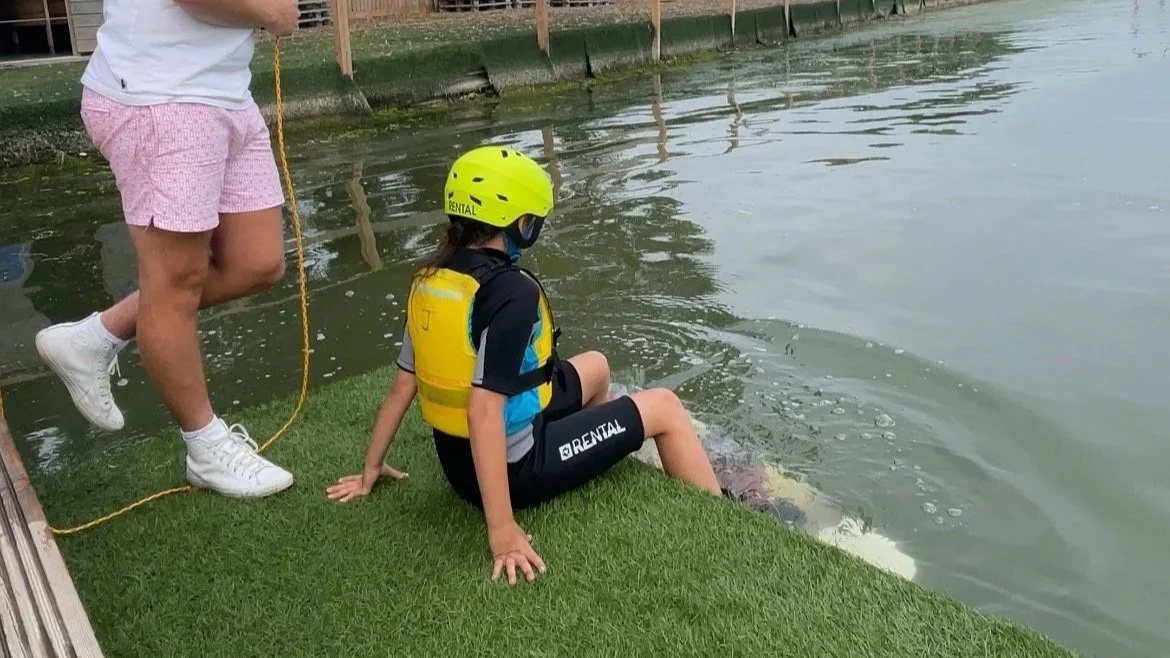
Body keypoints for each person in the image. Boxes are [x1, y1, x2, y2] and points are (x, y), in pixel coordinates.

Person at [326, 146, 723, 586]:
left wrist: (370, 471)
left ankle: (599, 447)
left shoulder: (432, 280)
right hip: (517, 470)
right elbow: (482, 410)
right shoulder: (512, 294)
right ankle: (722, 516)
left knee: (597, 366)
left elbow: (403, 385)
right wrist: (503, 533)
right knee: (665, 406)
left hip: (458, 466)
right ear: (521, 224)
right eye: (534, 218)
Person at [34, 0, 301, 498]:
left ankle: (95, 336)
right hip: (161, 98)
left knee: (257, 263)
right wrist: (272, 12)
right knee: (176, 281)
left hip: (222, 93)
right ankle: (205, 447)